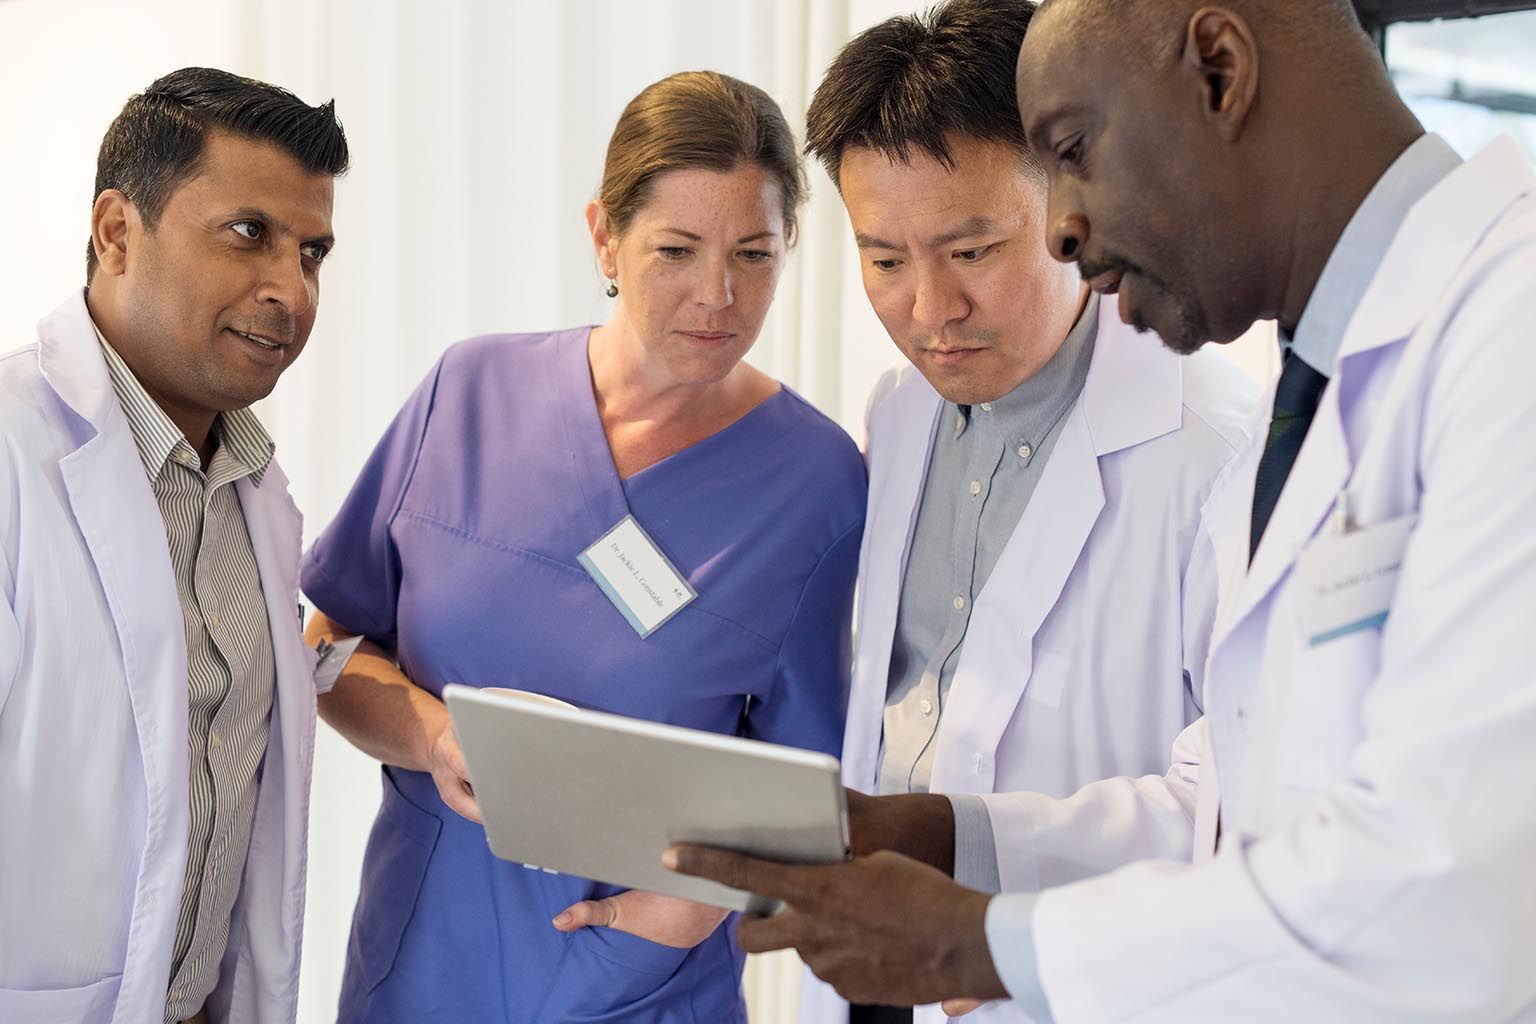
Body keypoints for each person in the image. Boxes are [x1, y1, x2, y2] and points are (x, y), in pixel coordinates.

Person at [669, 0, 1536, 1020]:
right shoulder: (1347, 378)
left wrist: (981, 940)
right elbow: (1238, 790)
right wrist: (950, 837)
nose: (1072, 226)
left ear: (1219, 69)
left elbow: (1450, 873)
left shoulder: (1500, 334)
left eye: (1074, 152)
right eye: (887, 258)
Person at [300, 69, 865, 1023]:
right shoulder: (467, 392)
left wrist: (673, 919)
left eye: (756, 255)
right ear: (604, 235)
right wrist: (437, 735)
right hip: (424, 957)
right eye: (677, 249)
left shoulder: (816, 482)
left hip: (638, 980)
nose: (718, 295)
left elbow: (809, 798)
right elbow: (324, 649)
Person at [795, 2, 1255, 1021]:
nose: (928, 308)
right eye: (882, 260)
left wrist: (951, 839)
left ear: (1072, 204)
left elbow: (1230, 809)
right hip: (868, 978)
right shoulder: (899, 413)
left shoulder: (1219, 451)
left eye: (971, 251)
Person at [0, 68, 348, 1024]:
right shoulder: (12, 457)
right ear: (119, 233)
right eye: (249, 234)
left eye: (312, 252)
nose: (290, 289)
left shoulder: (253, 492)